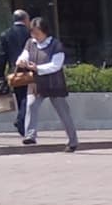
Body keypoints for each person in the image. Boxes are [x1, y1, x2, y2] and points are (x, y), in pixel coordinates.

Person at [20, 19, 78, 149]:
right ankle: (30, 135)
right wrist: (22, 61)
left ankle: (73, 140)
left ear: (45, 32)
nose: (35, 35)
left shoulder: (56, 45)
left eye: (37, 33)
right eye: (33, 32)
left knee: (63, 113)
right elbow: (24, 55)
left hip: (54, 84)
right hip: (36, 83)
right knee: (31, 106)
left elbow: (56, 65)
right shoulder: (30, 43)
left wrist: (38, 68)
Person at [1, 11, 38, 143]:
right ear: (26, 19)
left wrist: (0, 73)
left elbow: (2, 55)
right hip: (30, 71)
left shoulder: (6, 34)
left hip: (15, 72)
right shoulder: (31, 35)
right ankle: (22, 122)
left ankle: (22, 122)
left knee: (20, 97)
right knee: (28, 99)